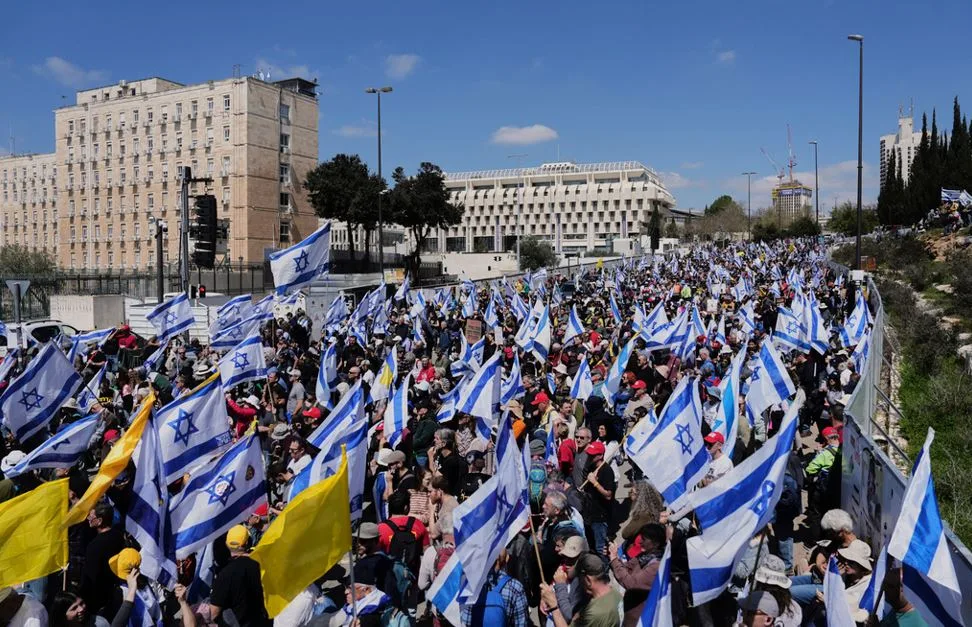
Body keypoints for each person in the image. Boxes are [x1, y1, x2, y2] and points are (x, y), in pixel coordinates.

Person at [209, 525, 272, 626]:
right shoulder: (261, 563)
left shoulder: (225, 574)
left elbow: (214, 612)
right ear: (247, 543)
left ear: (226, 544)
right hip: (262, 621)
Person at [540, 552, 622, 627]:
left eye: (579, 578)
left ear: (588, 580)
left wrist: (554, 607)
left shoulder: (593, 613)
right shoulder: (616, 595)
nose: (579, 582)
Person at [608, 523, 665, 627]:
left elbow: (631, 583)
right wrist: (613, 556)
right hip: (630, 612)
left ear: (656, 544)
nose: (640, 541)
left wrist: (614, 560)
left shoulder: (656, 566)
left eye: (644, 539)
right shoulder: (645, 555)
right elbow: (626, 568)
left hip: (640, 619)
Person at [81, 501, 126, 618]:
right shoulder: (119, 536)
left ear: (100, 521)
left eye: (91, 516)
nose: (88, 518)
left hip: (100, 600)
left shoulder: (94, 546)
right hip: (117, 592)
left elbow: (91, 577)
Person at [461, 551, 529, 627]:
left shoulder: (471, 587)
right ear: (506, 559)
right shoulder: (515, 587)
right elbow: (522, 623)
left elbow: (465, 622)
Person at [581, 440, 615, 555]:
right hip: (590, 513)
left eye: (592, 455)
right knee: (591, 545)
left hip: (600, 516)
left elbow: (608, 495)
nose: (589, 456)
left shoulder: (607, 471)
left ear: (600, 455)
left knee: (601, 547)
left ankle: (603, 569)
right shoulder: (591, 467)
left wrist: (595, 483)